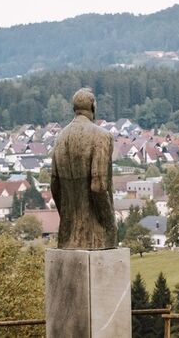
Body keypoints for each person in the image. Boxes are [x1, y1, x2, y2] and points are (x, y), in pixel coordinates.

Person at [50, 88, 117, 249]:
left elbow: (54, 186)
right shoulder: (101, 136)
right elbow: (99, 186)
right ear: (93, 107)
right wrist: (109, 224)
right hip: (95, 238)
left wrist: (67, 217)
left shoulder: (60, 138)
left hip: (67, 237)